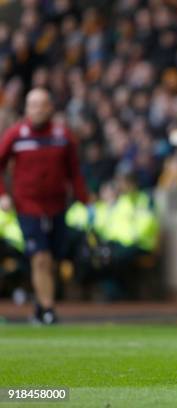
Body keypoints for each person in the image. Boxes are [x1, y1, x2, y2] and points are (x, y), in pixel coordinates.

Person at [0, 88, 88, 324]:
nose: (38, 109)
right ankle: (49, 310)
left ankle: (40, 305)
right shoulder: (16, 135)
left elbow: (74, 172)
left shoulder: (63, 136)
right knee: (40, 257)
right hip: (27, 205)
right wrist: (2, 195)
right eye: (33, 104)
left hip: (58, 206)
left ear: (50, 107)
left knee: (54, 259)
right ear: (27, 109)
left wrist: (85, 200)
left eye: (42, 104)